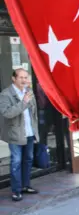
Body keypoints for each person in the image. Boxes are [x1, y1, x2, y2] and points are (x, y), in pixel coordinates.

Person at [0, 68, 39, 201]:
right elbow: (7, 113)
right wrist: (23, 103)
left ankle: (26, 186)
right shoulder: (6, 94)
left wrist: (35, 132)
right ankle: (16, 191)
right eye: (21, 77)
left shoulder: (29, 91)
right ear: (14, 79)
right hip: (15, 134)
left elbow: (34, 114)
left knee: (28, 160)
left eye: (26, 77)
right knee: (16, 162)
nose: (24, 80)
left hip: (29, 132)